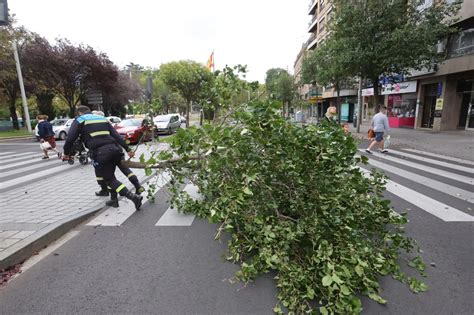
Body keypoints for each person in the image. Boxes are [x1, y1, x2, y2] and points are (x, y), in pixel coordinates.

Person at [62, 106, 143, 210]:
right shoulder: (102, 118)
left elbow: (70, 139)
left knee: (110, 179)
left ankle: (133, 197)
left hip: (101, 153)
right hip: (115, 150)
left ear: (79, 113)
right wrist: (128, 149)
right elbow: (116, 135)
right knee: (110, 174)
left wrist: (66, 153)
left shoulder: (80, 119)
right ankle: (114, 200)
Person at [91, 110, 144, 198]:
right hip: (117, 150)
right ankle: (138, 186)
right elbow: (117, 137)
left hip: (104, 152)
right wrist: (127, 149)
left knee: (107, 175)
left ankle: (107, 192)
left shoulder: (97, 126)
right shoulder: (108, 124)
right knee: (125, 170)